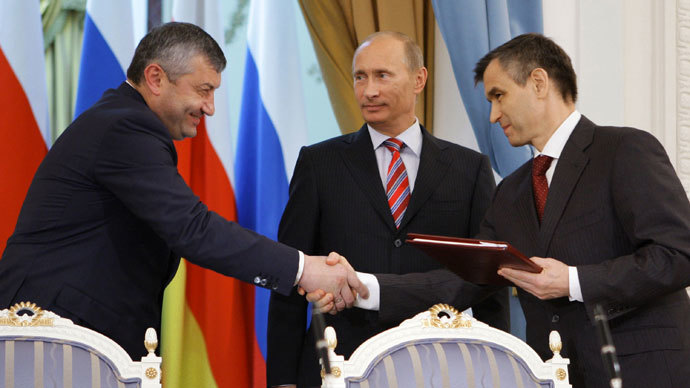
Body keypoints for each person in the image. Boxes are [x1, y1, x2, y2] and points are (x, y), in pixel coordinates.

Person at [0, 22, 367, 359]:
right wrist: (303, 269)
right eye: (204, 90)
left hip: (75, 334)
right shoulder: (125, 129)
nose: (209, 108)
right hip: (51, 334)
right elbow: (195, 230)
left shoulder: (122, 123)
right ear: (156, 78)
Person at [266, 31, 509, 387]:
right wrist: (283, 380)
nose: (369, 90)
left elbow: (489, 283)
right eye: (360, 77)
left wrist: (497, 371)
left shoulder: (469, 169)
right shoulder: (319, 164)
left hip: (439, 366)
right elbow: (291, 275)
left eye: (382, 75)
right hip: (338, 365)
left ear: (418, 79)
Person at [473, 33, 690, 388]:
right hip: (557, 377)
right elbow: (469, 274)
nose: (494, 115)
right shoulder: (508, 192)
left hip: (643, 373)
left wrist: (573, 281)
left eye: (499, 95)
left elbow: (679, 254)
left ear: (539, 82)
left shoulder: (625, 149)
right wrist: (366, 286)